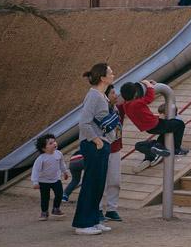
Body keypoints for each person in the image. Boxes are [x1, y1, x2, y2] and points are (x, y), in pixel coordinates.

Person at [72, 63, 116, 235]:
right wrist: (96, 140)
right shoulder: (94, 96)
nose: (113, 74)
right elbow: (84, 122)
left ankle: (93, 220)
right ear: (103, 78)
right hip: (93, 145)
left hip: (101, 144)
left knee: (98, 183)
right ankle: (82, 224)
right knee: (91, 183)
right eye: (110, 72)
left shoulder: (101, 96)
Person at [121, 80, 188, 158]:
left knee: (166, 128)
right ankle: (176, 149)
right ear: (135, 94)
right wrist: (148, 85)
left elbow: (141, 114)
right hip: (154, 124)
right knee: (179, 124)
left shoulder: (125, 105)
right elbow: (150, 97)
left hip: (149, 127)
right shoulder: (137, 103)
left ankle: (158, 145)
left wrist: (154, 85)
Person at [31, 134, 69, 220]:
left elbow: (62, 164)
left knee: (59, 194)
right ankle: (44, 212)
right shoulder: (41, 159)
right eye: (51, 143)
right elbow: (35, 170)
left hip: (56, 179)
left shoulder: (59, 154)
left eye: (54, 141)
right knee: (45, 197)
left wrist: (65, 172)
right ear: (44, 148)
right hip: (43, 181)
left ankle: (56, 209)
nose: (54, 144)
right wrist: (35, 182)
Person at [101, 84, 125, 222]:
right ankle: (97, 209)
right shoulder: (100, 111)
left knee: (115, 180)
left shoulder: (118, 109)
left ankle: (111, 209)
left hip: (115, 149)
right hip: (101, 149)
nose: (115, 95)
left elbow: (130, 98)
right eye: (112, 93)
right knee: (101, 181)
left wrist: (147, 85)